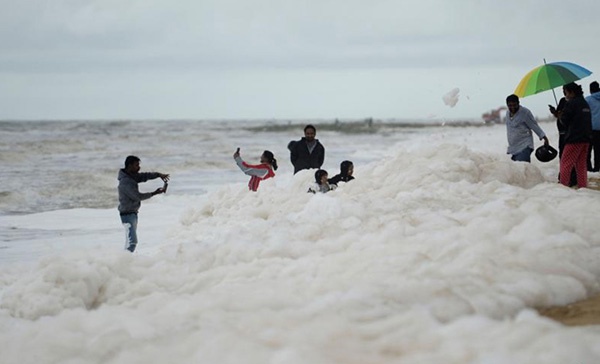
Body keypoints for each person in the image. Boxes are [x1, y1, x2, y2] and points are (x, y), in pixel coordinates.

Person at [118, 155, 169, 252]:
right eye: (136, 165)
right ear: (130, 166)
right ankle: (125, 262)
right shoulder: (126, 182)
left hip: (132, 213)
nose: (139, 167)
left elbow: (144, 176)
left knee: (129, 242)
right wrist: (154, 193)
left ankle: (125, 262)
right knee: (132, 242)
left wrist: (158, 175)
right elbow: (137, 197)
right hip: (127, 215)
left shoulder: (130, 176)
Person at [557, 82, 592, 188]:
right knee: (581, 164)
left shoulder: (571, 103)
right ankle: (582, 186)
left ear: (571, 92)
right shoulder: (584, 103)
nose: (565, 95)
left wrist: (560, 116)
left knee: (565, 164)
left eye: (566, 92)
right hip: (586, 138)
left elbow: (565, 121)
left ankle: (563, 187)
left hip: (574, 139)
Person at [505, 94, 549, 162]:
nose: (513, 107)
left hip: (524, 146)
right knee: (516, 170)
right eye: (510, 106)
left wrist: (544, 138)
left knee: (522, 168)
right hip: (513, 148)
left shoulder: (525, 112)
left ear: (518, 103)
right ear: (507, 105)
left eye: (515, 105)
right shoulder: (507, 113)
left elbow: (534, 125)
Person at [550, 97, 577, 186]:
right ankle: (564, 176)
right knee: (562, 155)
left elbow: (567, 117)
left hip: (570, 134)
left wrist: (560, 114)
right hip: (562, 134)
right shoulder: (562, 101)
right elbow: (558, 115)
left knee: (569, 156)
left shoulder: (574, 102)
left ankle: (571, 178)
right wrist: (554, 112)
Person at [585, 81, 600, 172]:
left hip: (590, 129)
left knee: (587, 151)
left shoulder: (588, 100)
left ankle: (589, 169)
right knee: (598, 151)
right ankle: (597, 169)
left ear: (590, 90)